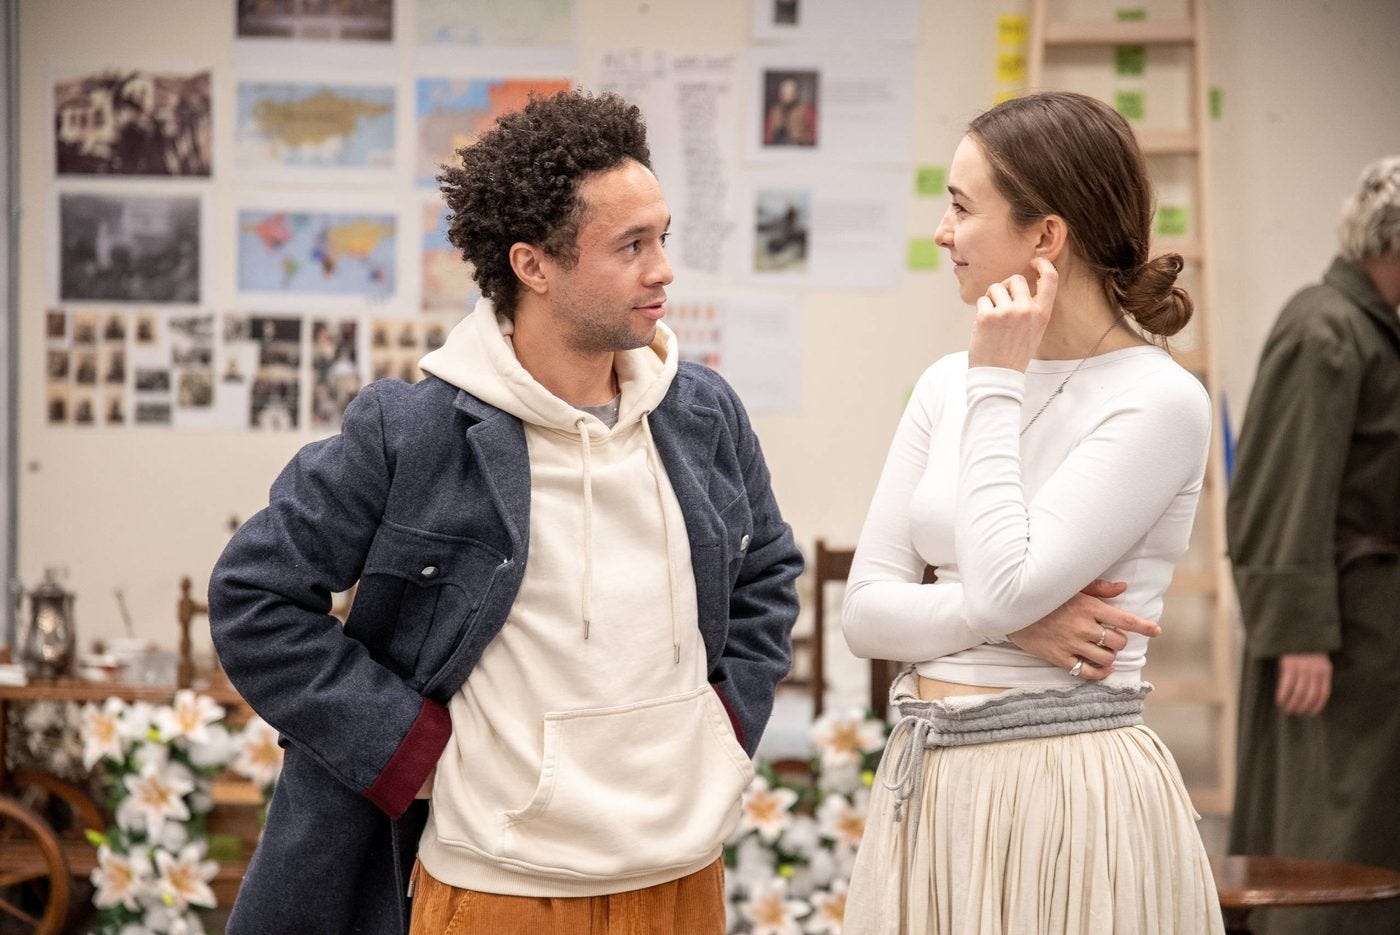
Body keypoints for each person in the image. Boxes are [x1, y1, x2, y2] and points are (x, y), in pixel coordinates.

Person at [209, 89, 803, 935]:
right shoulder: (412, 431)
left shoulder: (703, 413)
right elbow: (253, 597)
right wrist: (408, 750)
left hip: (684, 877)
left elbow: (768, 570)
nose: (663, 266)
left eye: (662, 236)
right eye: (631, 244)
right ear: (534, 265)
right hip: (500, 888)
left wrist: (727, 723)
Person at [840, 91, 1223, 934]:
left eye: (961, 206)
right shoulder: (949, 380)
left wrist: (1001, 376)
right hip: (933, 783)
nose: (943, 232)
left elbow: (1007, 576)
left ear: (1045, 235)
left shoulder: (1159, 401)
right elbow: (865, 613)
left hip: (1066, 789)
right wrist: (1017, 624)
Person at [1227, 155, 1400, 935]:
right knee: (1327, 834)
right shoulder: (1324, 327)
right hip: (1335, 636)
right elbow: (1282, 490)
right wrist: (1298, 633)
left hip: (1369, 630)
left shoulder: (1369, 330)